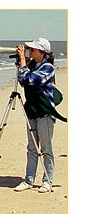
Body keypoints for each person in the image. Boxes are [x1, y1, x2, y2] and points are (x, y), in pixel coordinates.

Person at [14, 37, 66, 193]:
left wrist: (23, 60)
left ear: (42, 52)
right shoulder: (30, 65)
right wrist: (23, 62)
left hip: (45, 113)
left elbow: (30, 80)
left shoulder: (48, 68)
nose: (30, 51)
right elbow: (22, 80)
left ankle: (47, 180)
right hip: (32, 111)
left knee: (46, 148)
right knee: (31, 147)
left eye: (33, 49)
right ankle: (29, 179)